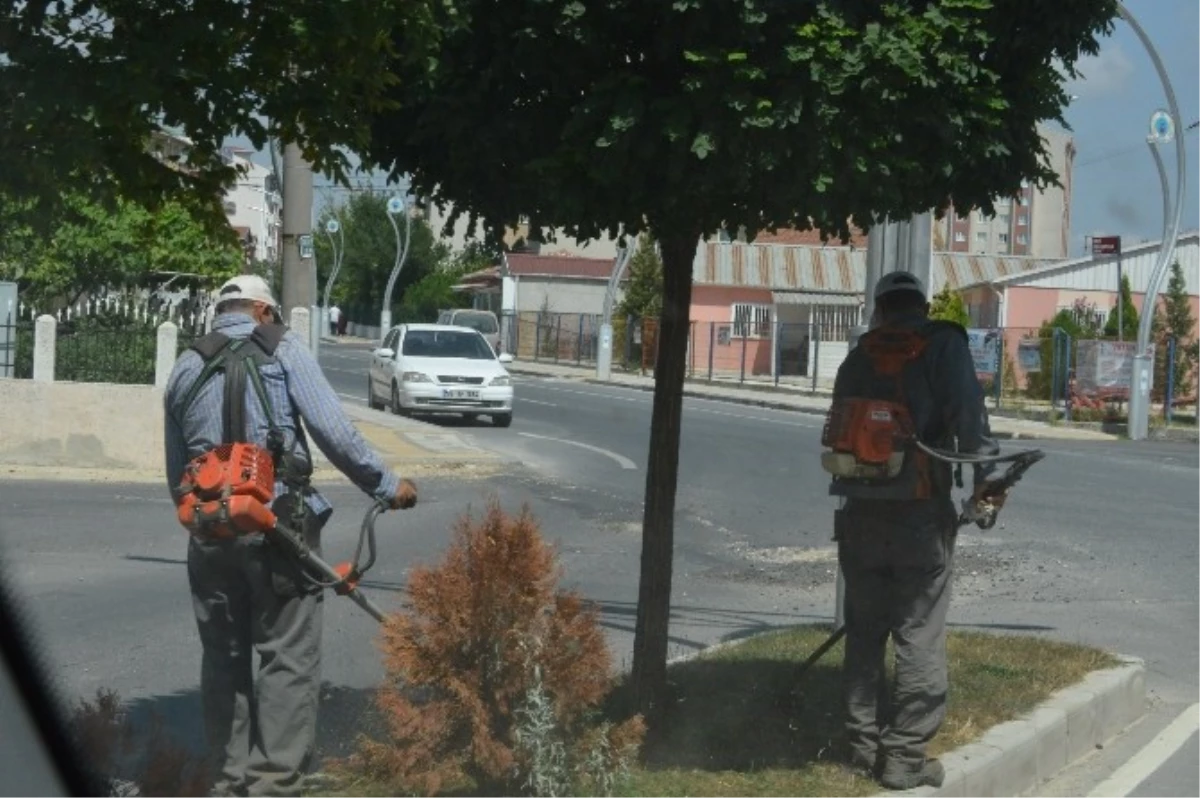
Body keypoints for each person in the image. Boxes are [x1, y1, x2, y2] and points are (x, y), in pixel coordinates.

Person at [163, 275, 417, 797]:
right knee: (286, 656)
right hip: (280, 524)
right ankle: (274, 783)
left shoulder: (186, 365)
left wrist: (210, 515)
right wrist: (388, 485)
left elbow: (176, 474)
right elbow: (335, 433)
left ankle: (228, 781)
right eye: (272, 316)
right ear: (262, 310)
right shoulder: (283, 349)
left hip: (210, 532)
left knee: (224, 656)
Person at [826, 271, 1003, 790]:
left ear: (880, 310)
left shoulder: (859, 355)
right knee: (918, 633)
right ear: (922, 308)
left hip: (858, 514)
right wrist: (986, 485)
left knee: (864, 632)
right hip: (920, 516)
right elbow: (970, 418)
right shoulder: (942, 345)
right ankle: (904, 757)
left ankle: (861, 747)